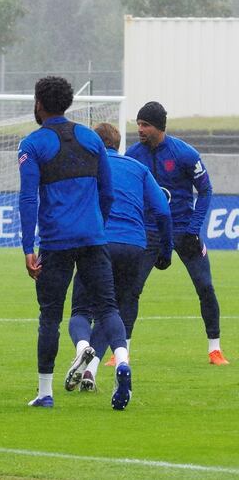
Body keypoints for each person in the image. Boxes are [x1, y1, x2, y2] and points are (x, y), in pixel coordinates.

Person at [18, 76, 131, 410]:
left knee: (50, 317)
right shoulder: (92, 139)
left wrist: (27, 248)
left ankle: (45, 392)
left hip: (56, 242)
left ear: (39, 103)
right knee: (108, 307)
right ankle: (122, 361)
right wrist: (98, 224)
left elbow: (28, 200)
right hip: (94, 238)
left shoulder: (33, 145)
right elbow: (107, 192)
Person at [66, 123, 173, 391]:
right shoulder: (138, 168)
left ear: (95, 144)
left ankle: (83, 347)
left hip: (98, 243)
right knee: (110, 310)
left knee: (81, 310)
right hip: (134, 247)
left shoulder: (88, 166)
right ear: (117, 143)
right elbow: (163, 211)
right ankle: (94, 371)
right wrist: (166, 249)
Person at [126, 101, 229, 365]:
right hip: (150, 232)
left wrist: (194, 230)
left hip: (184, 231)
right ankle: (121, 351)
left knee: (205, 287)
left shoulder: (185, 153)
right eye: (138, 124)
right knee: (131, 289)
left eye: (145, 125)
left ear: (159, 127)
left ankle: (214, 349)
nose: (140, 129)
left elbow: (205, 191)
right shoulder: (133, 155)